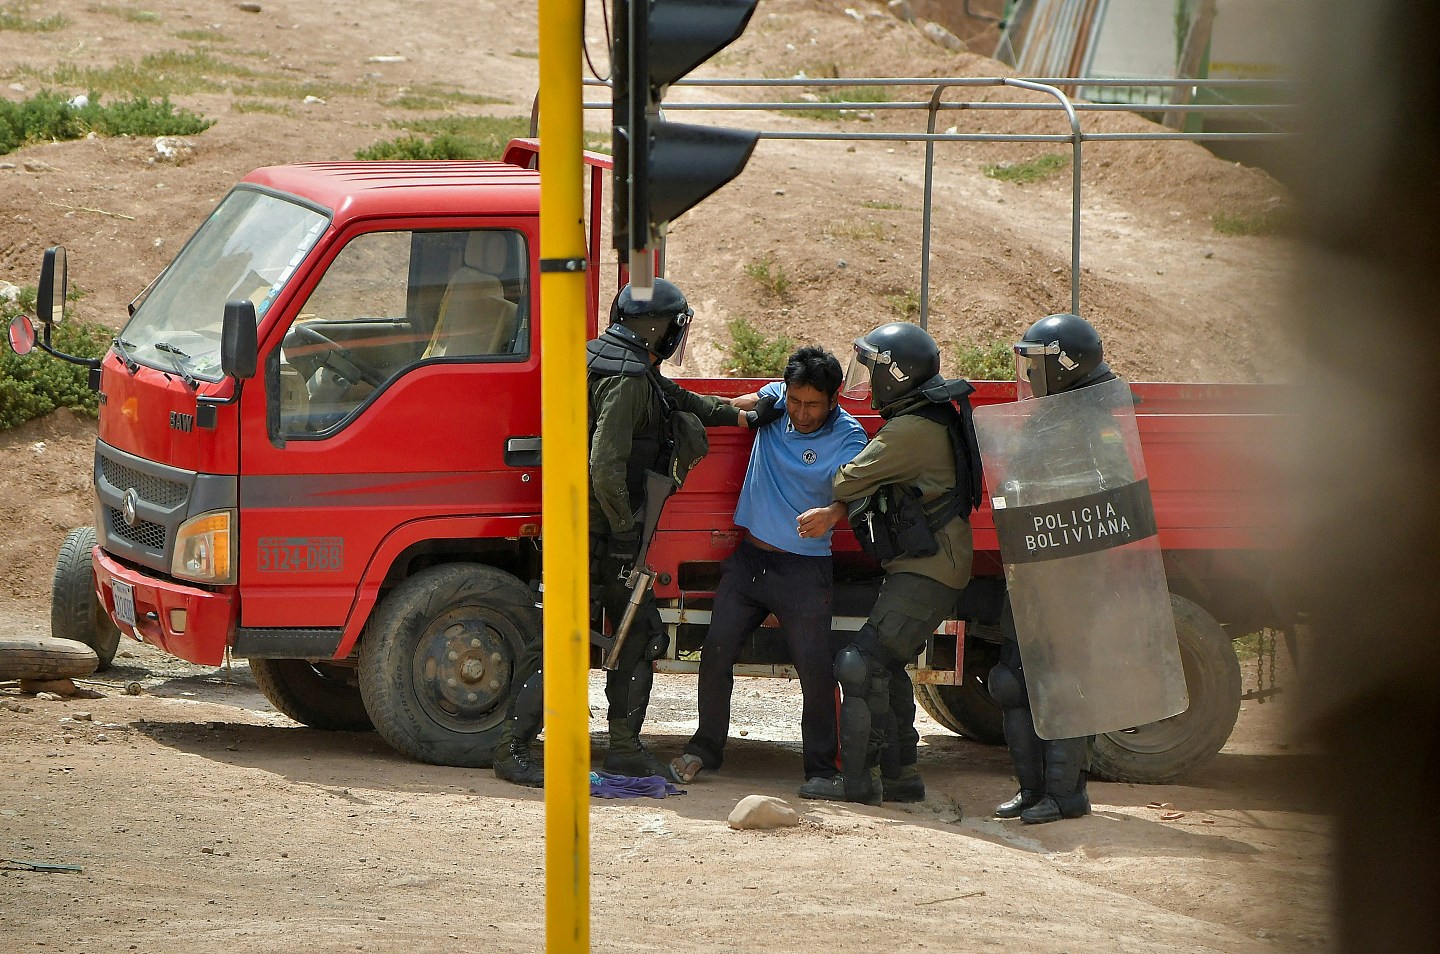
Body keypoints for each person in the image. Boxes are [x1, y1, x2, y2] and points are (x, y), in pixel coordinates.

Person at [493, 278, 763, 787]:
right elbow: (605, 462)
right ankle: (540, 750)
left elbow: (674, 397)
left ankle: (597, 748)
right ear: (659, 327)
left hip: (576, 527)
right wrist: (621, 529)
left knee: (579, 637)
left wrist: (738, 414)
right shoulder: (630, 377)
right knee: (626, 635)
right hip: (599, 534)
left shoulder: (605, 357)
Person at [667, 346, 868, 787]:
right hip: (748, 562)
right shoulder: (777, 400)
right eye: (795, 401)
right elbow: (739, 408)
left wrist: (833, 514)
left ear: (834, 399)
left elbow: (865, 492)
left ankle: (820, 770)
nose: (800, 412)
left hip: (803, 570)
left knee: (816, 671)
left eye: (812, 404)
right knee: (714, 654)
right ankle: (704, 748)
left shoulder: (851, 437)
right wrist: (732, 408)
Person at [807, 321, 984, 805]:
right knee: (887, 663)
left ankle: (861, 783)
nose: (865, 380)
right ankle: (902, 776)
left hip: (928, 567)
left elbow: (844, 482)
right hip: (930, 563)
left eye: (872, 369)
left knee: (860, 664)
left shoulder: (911, 430)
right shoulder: (930, 415)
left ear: (897, 376)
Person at [987, 312, 1127, 824]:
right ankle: (1032, 790)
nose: (1028, 373)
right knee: (1011, 681)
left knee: (1062, 682)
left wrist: (1049, 499)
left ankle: (1066, 794)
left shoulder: (1096, 421)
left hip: (1071, 574)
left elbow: (1111, 492)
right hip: (1031, 567)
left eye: (1037, 361)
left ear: (1064, 366)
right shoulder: (1048, 416)